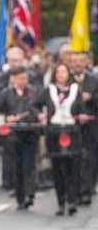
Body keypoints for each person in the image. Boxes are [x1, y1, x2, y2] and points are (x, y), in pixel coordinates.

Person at [33, 63, 82, 215]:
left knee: (73, 168)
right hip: (54, 131)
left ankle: (72, 201)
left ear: (69, 74)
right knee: (58, 168)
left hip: (72, 131)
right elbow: (34, 105)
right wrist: (40, 115)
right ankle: (61, 202)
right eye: (58, 72)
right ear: (55, 74)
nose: (61, 75)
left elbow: (82, 109)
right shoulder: (50, 90)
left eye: (64, 72)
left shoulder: (75, 90)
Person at [0, 66, 40, 209]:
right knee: (17, 166)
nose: (24, 81)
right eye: (21, 78)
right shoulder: (6, 93)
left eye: (26, 78)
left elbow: (39, 110)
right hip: (13, 135)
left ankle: (30, 193)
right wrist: (7, 119)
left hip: (30, 133)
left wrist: (35, 117)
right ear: (14, 79)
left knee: (29, 165)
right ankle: (20, 196)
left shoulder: (33, 93)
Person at [69, 51, 98, 206]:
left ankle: (86, 191)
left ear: (86, 62)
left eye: (81, 61)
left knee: (89, 158)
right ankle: (74, 192)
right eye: (75, 61)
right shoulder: (66, 80)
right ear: (70, 63)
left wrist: (92, 98)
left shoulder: (94, 80)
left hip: (91, 126)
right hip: (72, 126)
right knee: (74, 159)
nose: (78, 64)